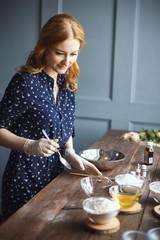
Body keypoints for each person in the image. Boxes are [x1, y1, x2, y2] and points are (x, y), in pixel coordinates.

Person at [0, 13, 102, 220]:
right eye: (59, 53)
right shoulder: (25, 83)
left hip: (57, 178)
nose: (67, 61)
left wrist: (70, 151)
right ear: (44, 47)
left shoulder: (68, 82)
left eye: (74, 54)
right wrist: (29, 145)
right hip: (25, 180)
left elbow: (66, 127)